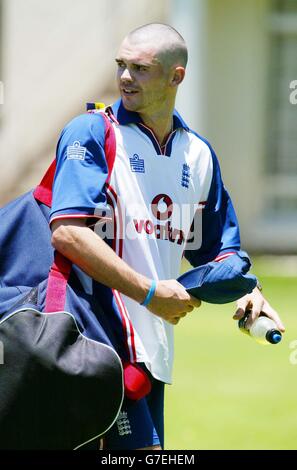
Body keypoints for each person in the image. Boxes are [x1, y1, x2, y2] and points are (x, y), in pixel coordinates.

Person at [50, 23, 285, 450]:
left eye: (140, 68)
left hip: (152, 352)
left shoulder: (197, 155)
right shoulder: (92, 132)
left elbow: (218, 249)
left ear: (176, 76)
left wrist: (249, 290)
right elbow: (68, 233)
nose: (124, 77)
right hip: (90, 344)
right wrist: (149, 293)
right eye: (121, 65)